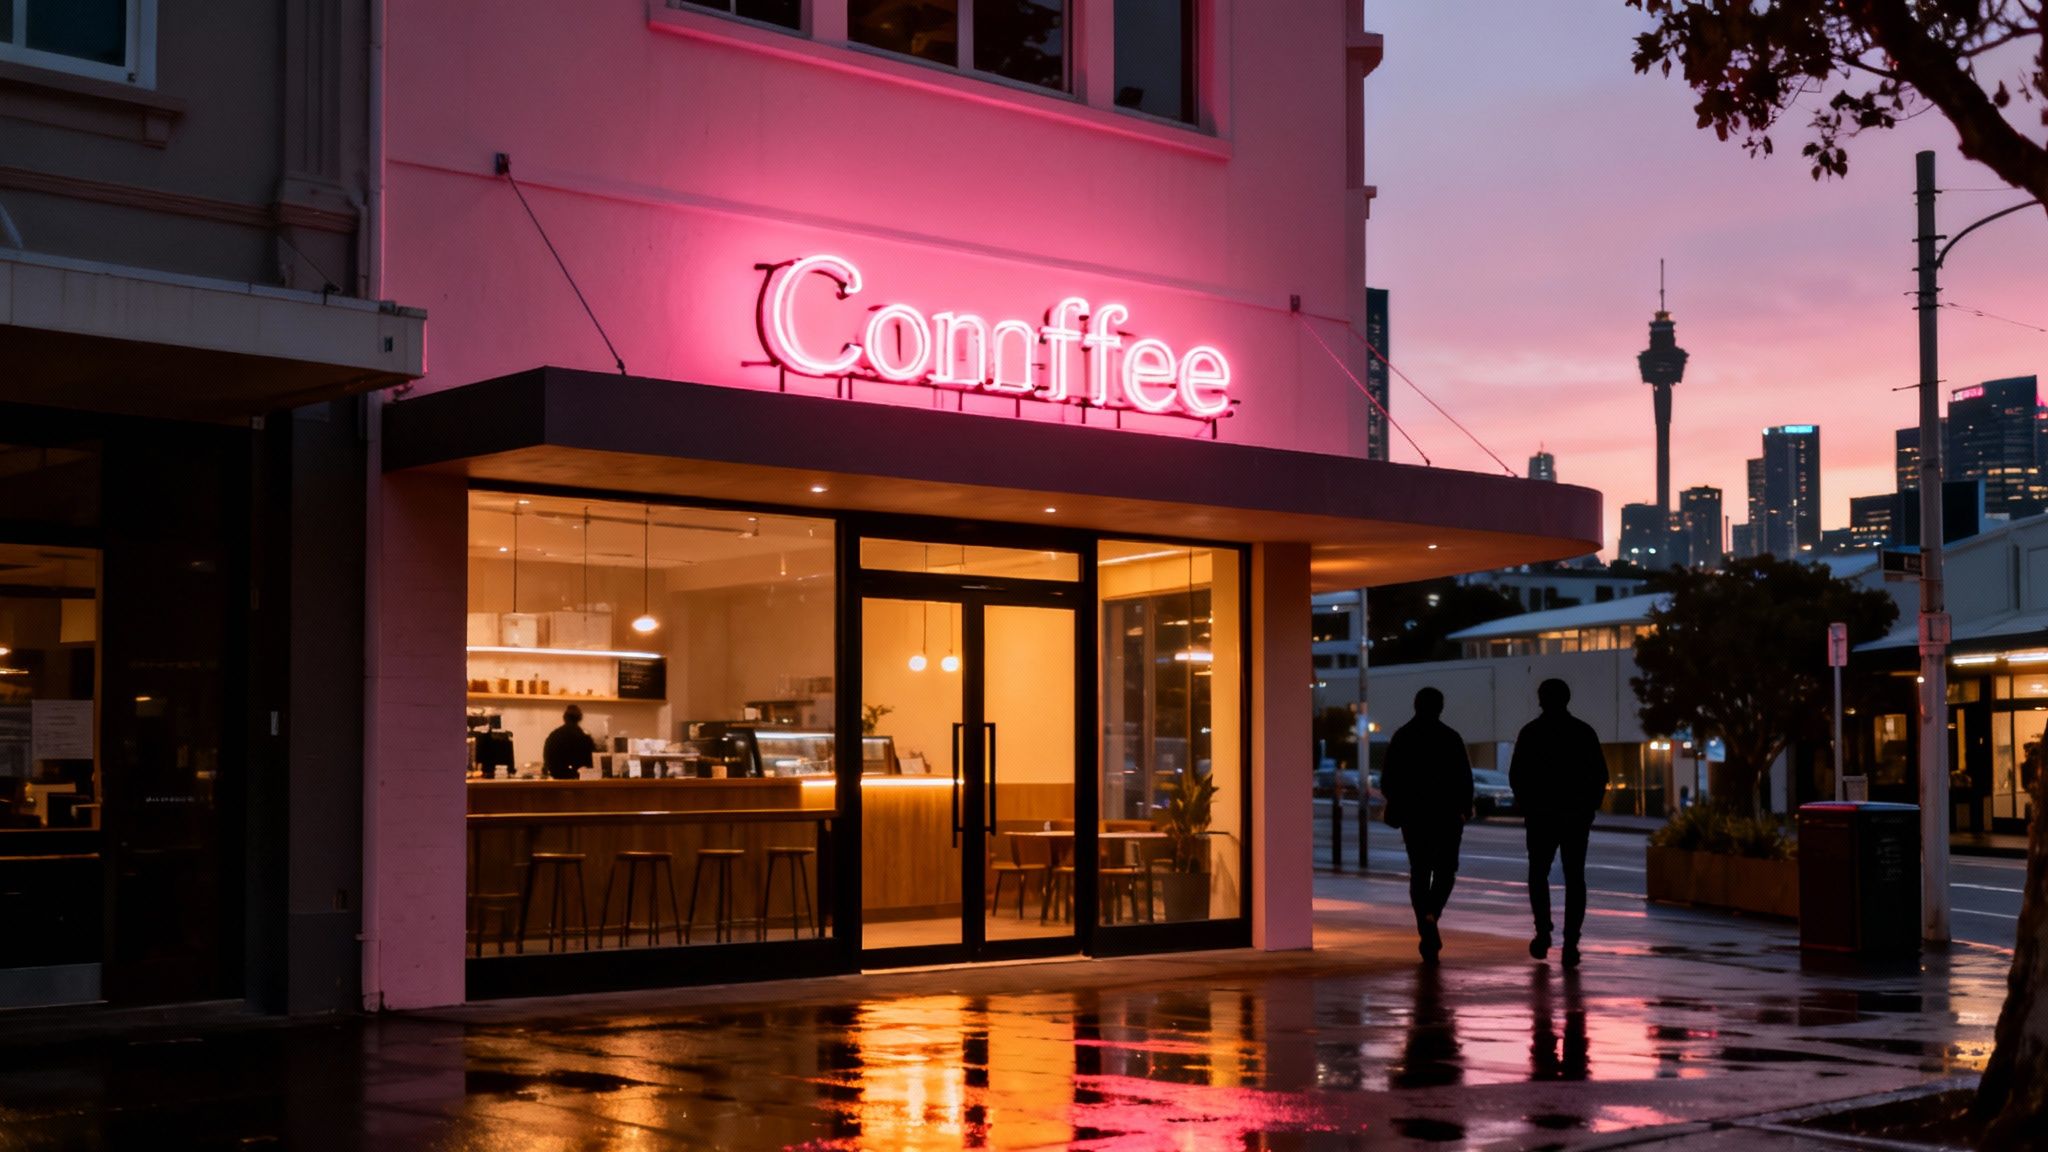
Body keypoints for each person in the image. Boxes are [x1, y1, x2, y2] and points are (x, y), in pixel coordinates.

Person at [1509, 678, 1609, 969]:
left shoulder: (1531, 733)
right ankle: (1571, 942)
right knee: (1575, 877)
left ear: (1542, 699)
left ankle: (1543, 931)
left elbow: (1517, 776)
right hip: (1575, 815)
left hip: (1541, 815)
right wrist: (1588, 807)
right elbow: (1599, 775)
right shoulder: (1583, 732)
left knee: (1538, 873)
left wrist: (1528, 804)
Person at [1380, 686, 1474, 963]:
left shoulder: (1403, 737)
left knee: (1420, 871)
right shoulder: (1450, 738)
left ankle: (1426, 924)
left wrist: (1400, 802)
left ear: (1416, 705)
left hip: (1415, 817)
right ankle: (1432, 914)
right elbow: (1464, 779)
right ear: (1440, 707)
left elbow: (1388, 780)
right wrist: (1463, 810)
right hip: (1446, 816)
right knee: (1445, 872)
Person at [543, 704, 597, 781]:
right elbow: (590, 763)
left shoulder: (554, 735)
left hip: (557, 779)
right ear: (580, 718)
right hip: (578, 781)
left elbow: (548, 761)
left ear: (564, 718)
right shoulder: (584, 737)